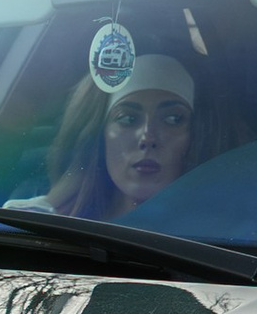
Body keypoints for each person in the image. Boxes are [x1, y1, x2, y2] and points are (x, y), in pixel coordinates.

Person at [45, 49, 212, 219]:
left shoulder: (212, 233)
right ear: (99, 136)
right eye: (127, 119)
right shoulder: (48, 216)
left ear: (197, 135)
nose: (147, 138)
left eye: (173, 119)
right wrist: (52, 202)